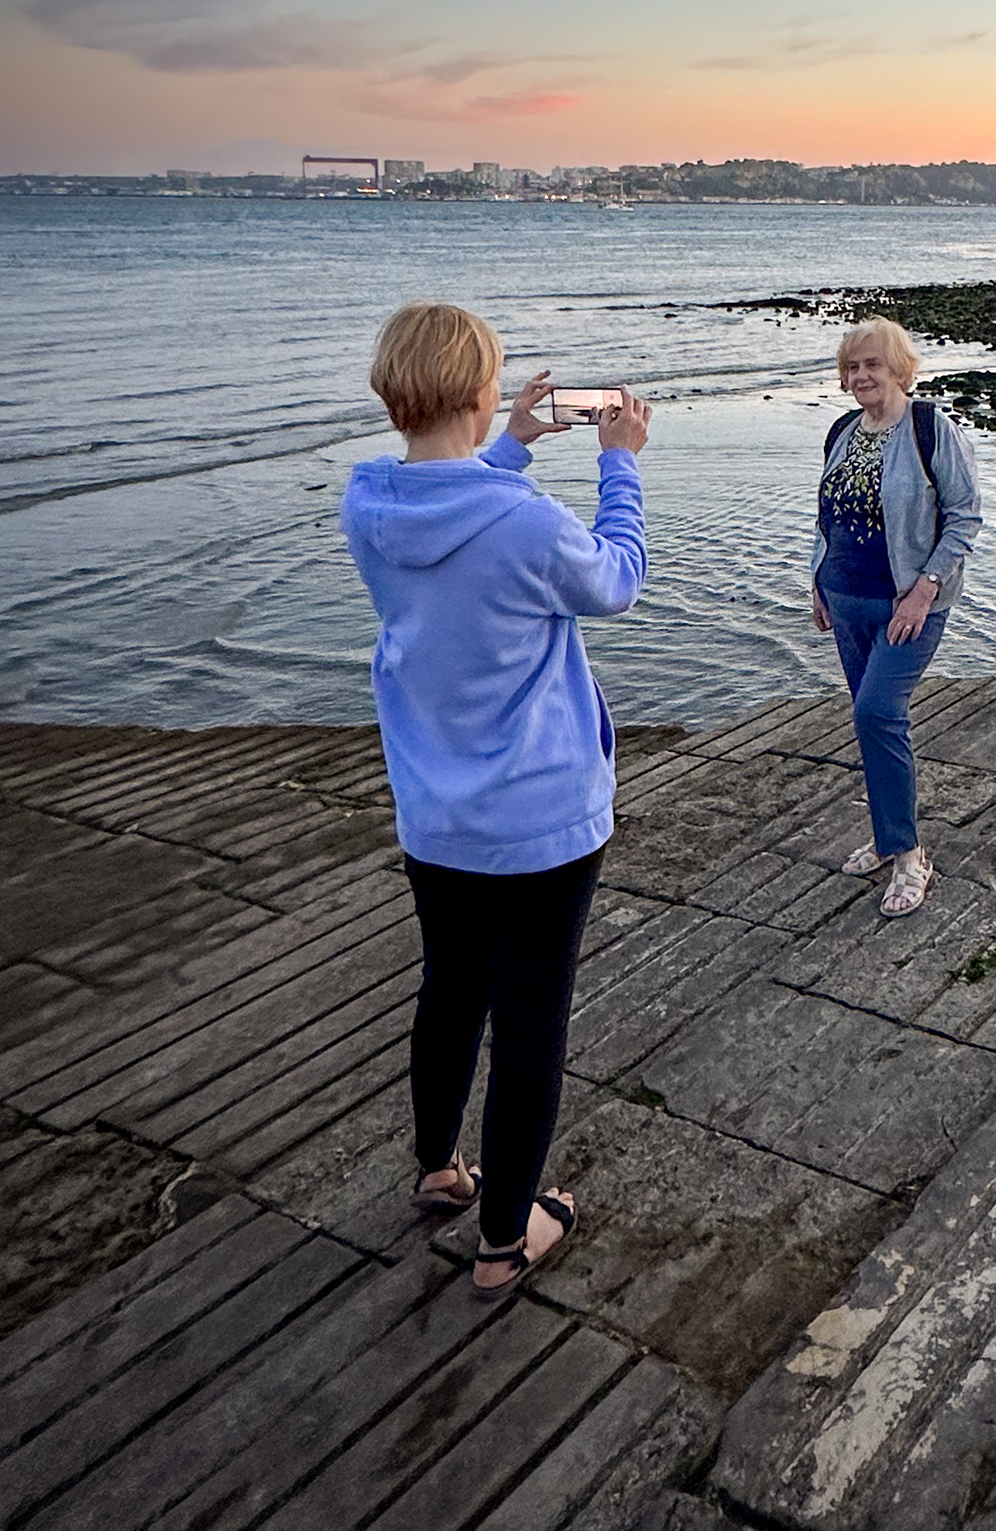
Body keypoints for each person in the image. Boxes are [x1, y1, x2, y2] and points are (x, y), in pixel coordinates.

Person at [341, 302, 650, 1297]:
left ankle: (440, 1168)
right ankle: (505, 1241)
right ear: (478, 391)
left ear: (396, 392)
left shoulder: (369, 506)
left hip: (436, 811)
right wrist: (619, 463)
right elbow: (615, 581)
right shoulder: (524, 523)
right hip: (540, 819)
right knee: (529, 1021)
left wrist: (508, 445)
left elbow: (454, 521)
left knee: (451, 988)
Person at [811, 317, 982, 916]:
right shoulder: (841, 431)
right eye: (852, 366)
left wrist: (925, 590)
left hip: (908, 606)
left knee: (878, 711)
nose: (861, 376)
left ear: (899, 369)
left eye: (873, 365)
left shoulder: (930, 429)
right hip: (845, 598)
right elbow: (827, 516)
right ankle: (888, 839)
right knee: (873, 724)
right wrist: (817, 580)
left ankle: (910, 856)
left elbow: (964, 517)